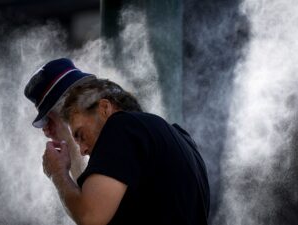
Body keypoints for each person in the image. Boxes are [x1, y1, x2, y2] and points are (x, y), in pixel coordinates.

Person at [24, 58, 210, 225]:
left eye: (52, 119)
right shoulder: (177, 137)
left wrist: (58, 174)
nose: (82, 149)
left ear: (104, 107)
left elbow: (90, 216)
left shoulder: (120, 126)